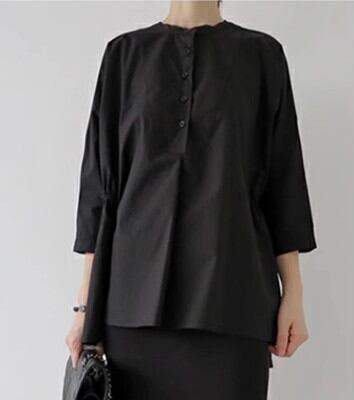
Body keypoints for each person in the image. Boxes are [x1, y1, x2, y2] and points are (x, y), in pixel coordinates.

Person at [65, 1, 317, 399]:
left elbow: (283, 183)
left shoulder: (262, 55)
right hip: (132, 304)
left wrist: (294, 295)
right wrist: (84, 308)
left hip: (234, 299)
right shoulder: (123, 55)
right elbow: (100, 188)